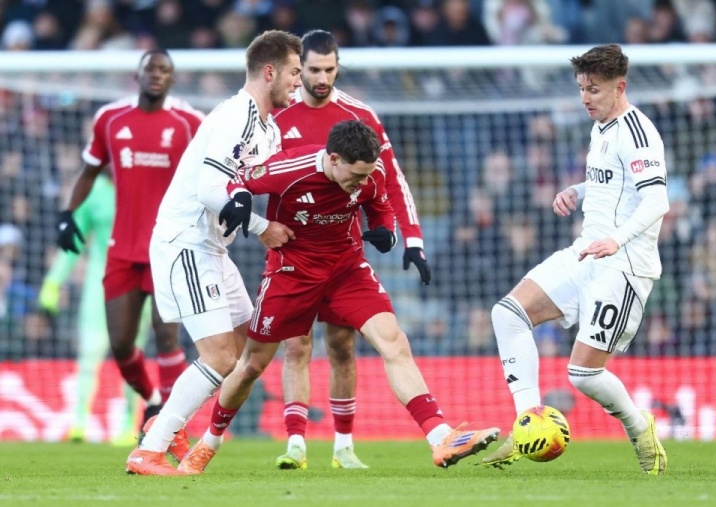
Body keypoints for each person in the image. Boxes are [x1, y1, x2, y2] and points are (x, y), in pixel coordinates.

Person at [176, 120, 499, 475]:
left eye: (366, 175)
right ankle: (209, 441)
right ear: (333, 159)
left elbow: (380, 204)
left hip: (347, 270)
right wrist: (252, 215)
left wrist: (385, 230)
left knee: (394, 342)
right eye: (355, 175)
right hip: (292, 273)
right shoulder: (289, 169)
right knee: (252, 364)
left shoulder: (370, 172)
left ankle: (440, 436)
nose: (361, 182)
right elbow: (236, 179)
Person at [481, 44, 670, 474]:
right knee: (507, 314)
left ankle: (639, 426)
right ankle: (528, 424)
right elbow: (612, 182)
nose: (585, 97)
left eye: (594, 89)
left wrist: (616, 240)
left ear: (620, 87)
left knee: (582, 375)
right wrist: (577, 191)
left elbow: (656, 200)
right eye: (582, 88)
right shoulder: (600, 127)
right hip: (586, 253)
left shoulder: (638, 132)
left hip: (623, 267)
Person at [125, 30, 303, 476]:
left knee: (250, 347)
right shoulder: (235, 115)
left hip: (214, 248)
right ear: (269, 72)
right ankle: (149, 449)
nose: (298, 82)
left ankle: (167, 422)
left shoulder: (268, 129)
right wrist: (261, 228)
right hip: (187, 241)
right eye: (295, 72)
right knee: (221, 356)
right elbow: (209, 190)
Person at [271, 29, 431, 470]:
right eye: (313, 70)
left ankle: (343, 447)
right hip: (291, 251)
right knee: (296, 346)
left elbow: (391, 179)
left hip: (341, 254)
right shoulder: (276, 115)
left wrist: (411, 238)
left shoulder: (359, 116)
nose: (322, 78)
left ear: (338, 66)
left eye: (329, 69)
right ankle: (296, 445)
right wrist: (258, 225)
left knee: (342, 346)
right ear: (299, 67)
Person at [56, 49, 204, 430]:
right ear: (137, 75)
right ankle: (153, 402)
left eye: (164, 70)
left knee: (166, 336)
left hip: (167, 248)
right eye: (150, 68)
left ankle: (171, 426)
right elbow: (89, 172)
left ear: (172, 79)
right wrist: (67, 214)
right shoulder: (110, 118)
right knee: (121, 345)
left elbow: (214, 172)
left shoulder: (189, 122)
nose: (156, 74)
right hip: (122, 249)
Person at [40, 173, 149, 444]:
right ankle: (78, 421)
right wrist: (53, 282)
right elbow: (74, 240)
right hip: (99, 283)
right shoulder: (93, 190)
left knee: (132, 356)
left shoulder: (144, 181)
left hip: (138, 281)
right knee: (89, 353)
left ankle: (129, 424)